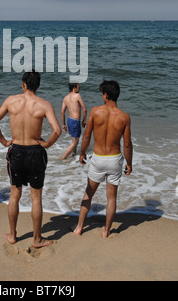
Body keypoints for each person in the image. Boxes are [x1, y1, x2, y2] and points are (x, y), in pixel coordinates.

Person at [0, 70, 61, 248]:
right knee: (36, 197)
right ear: (38, 85)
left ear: (23, 84)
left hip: (16, 151)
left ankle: (13, 235)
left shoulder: (11, 101)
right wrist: (46, 145)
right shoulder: (44, 104)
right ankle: (37, 239)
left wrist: (4, 141)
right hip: (35, 152)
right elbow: (57, 131)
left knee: (15, 194)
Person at [73, 80, 133, 238]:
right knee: (111, 197)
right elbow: (127, 145)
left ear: (106, 95)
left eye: (102, 94)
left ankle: (79, 228)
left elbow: (87, 135)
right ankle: (106, 231)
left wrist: (82, 153)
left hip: (98, 159)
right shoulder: (124, 117)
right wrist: (129, 163)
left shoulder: (95, 111)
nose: (102, 96)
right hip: (114, 159)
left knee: (88, 193)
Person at [60, 83, 87, 159]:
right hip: (75, 121)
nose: (79, 88)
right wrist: (84, 120)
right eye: (78, 87)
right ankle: (63, 158)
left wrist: (63, 124)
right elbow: (84, 109)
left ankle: (73, 155)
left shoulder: (66, 97)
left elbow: (62, 112)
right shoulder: (77, 95)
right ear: (74, 88)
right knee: (75, 142)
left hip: (69, 120)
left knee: (74, 139)